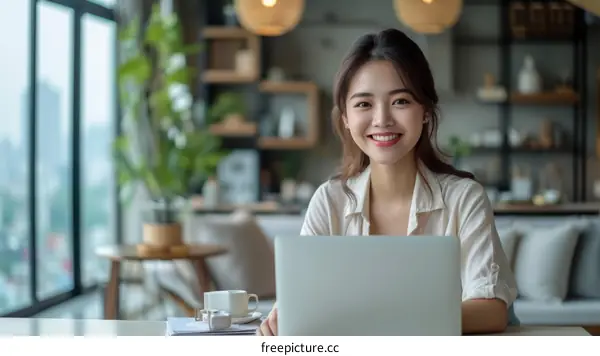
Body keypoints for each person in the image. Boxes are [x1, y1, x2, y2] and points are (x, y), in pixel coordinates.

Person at [257, 28, 518, 336]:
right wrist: (281, 319)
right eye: (364, 104)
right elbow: (298, 306)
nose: (382, 120)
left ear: (425, 111)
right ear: (345, 118)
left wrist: (378, 319)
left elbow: (491, 312)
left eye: (401, 101)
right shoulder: (329, 201)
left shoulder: (464, 198)